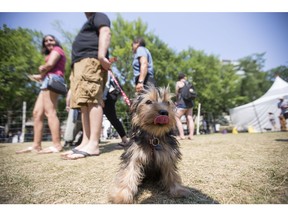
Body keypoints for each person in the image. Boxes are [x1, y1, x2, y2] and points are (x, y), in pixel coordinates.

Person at [62, 12, 111, 160]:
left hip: (90, 60)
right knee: (84, 104)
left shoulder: (99, 16)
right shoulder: (90, 21)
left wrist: (101, 56)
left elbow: (105, 31)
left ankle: (94, 144)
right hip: (80, 63)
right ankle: (86, 141)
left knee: (92, 100)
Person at [16, 35, 66, 154]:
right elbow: (49, 69)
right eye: (46, 41)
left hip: (53, 80)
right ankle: (36, 145)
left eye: (51, 40)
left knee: (50, 112)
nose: (48, 42)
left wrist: (42, 68)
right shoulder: (50, 53)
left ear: (55, 41)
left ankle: (57, 145)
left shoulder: (57, 50)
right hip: (46, 80)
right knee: (37, 113)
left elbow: (49, 65)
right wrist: (40, 76)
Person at [103, 73, 129, 148]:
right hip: (111, 94)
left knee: (112, 118)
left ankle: (125, 140)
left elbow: (106, 84)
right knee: (112, 118)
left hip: (108, 95)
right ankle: (124, 140)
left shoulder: (106, 70)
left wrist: (103, 98)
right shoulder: (109, 71)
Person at [175, 73, 195, 140]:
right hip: (190, 103)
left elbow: (177, 93)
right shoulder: (188, 83)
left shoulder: (178, 83)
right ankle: (191, 135)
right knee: (190, 118)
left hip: (182, 103)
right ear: (184, 77)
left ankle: (182, 135)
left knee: (177, 118)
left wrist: (176, 101)